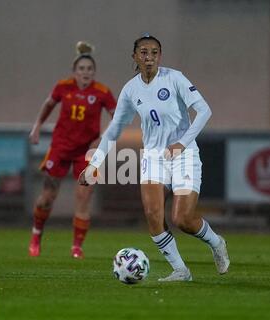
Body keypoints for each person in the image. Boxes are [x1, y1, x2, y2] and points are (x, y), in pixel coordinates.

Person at [79, 34, 230, 280]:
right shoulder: (131, 89)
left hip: (184, 153)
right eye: (144, 53)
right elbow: (115, 129)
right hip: (153, 156)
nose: (149, 57)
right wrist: (94, 164)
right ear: (135, 57)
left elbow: (204, 110)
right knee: (152, 214)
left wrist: (182, 142)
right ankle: (180, 270)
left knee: (182, 219)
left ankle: (216, 242)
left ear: (159, 56)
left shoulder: (174, 78)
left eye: (154, 53)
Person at [28, 41, 116, 259]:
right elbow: (48, 104)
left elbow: (117, 116)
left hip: (85, 151)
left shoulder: (102, 92)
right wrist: (37, 126)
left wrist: (104, 137)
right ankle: (36, 236)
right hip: (60, 147)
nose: (85, 72)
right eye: (81, 69)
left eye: (89, 69)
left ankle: (77, 247)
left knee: (84, 194)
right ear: (74, 72)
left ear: (94, 72)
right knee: (47, 197)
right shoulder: (63, 87)